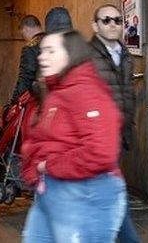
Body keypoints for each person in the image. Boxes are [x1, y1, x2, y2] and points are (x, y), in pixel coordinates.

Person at [20, 30, 125, 243]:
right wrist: (36, 168)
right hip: (53, 189)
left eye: (50, 51)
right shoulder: (57, 91)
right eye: (42, 51)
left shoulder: (85, 92)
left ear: (71, 54)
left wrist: (47, 166)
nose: (42, 57)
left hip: (84, 191)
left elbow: (100, 152)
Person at [88, 4, 140, 243]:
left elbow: (126, 93)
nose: (112, 25)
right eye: (106, 20)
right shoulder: (86, 56)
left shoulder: (125, 55)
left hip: (119, 135)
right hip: (97, 139)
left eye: (117, 20)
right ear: (95, 26)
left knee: (110, 194)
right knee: (113, 194)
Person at [11, 15, 44, 103]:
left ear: (26, 29)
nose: (24, 38)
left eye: (23, 34)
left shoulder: (29, 48)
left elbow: (25, 79)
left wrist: (13, 102)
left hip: (38, 99)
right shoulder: (53, 41)